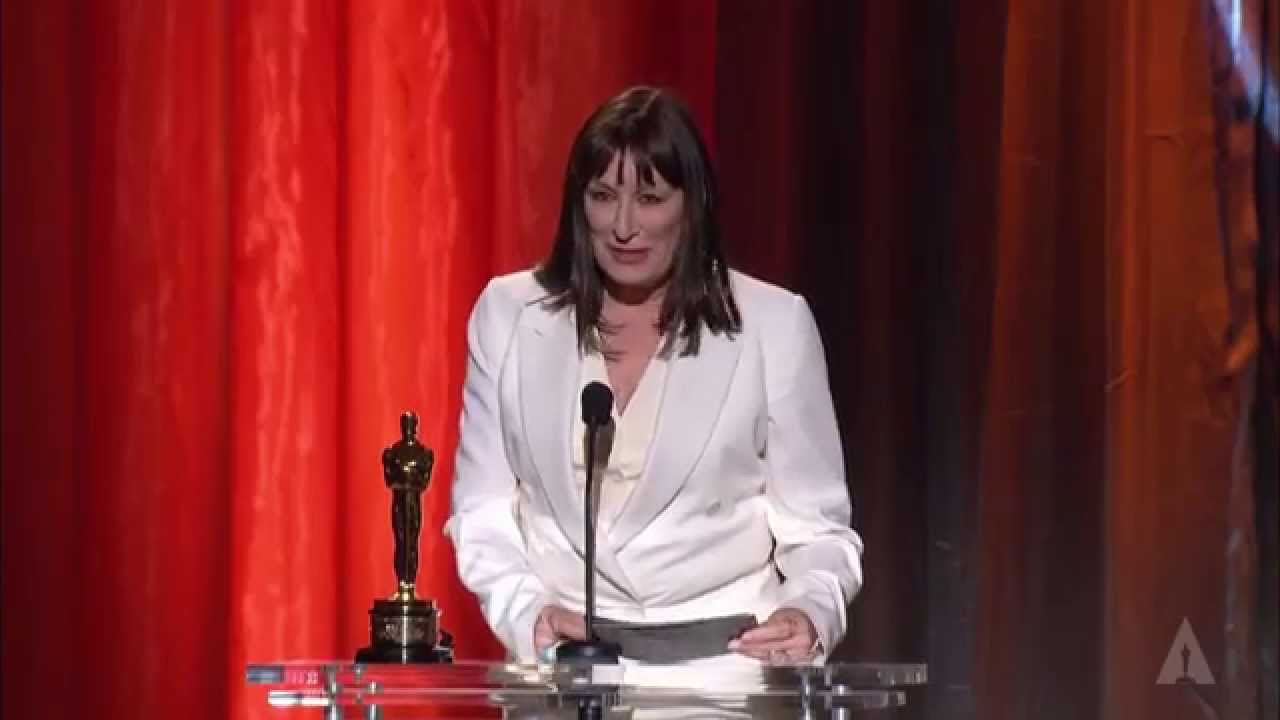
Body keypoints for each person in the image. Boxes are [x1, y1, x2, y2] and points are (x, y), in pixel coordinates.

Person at [445, 86, 863, 666]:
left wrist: (810, 612)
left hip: (723, 680)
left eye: (649, 197)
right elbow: (482, 512)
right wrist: (527, 614)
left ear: (691, 206)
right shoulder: (509, 314)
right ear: (578, 204)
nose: (623, 226)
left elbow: (821, 533)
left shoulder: (772, 325)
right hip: (567, 675)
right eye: (603, 196)